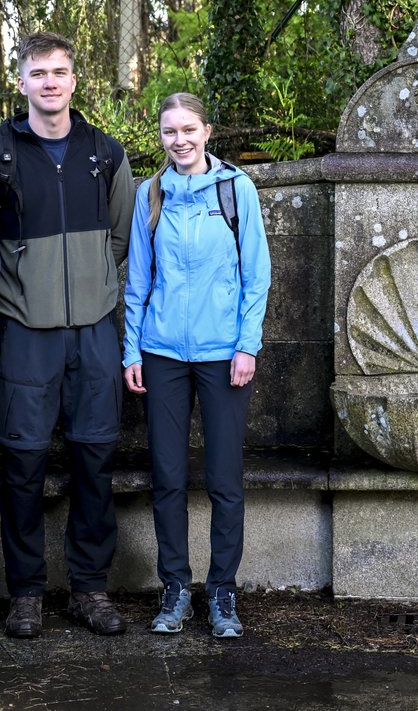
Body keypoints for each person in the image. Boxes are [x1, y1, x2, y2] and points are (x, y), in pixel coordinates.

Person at [0, 32, 135, 638]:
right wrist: (21, 299)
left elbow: (121, 238)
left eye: (59, 72)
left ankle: (89, 589)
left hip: (94, 333)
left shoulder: (105, 153)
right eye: (38, 73)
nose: (49, 82)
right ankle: (26, 594)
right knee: (22, 466)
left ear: (74, 80)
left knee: (95, 461)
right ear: (21, 82)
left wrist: (92, 289)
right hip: (24, 334)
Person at [122, 92, 271, 638]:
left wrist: (247, 345)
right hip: (162, 354)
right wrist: (132, 350)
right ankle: (176, 588)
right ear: (161, 137)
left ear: (207, 131)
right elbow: (138, 281)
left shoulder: (236, 189)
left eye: (189, 130)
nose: (179, 140)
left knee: (224, 479)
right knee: (167, 477)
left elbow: (257, 275)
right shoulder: (150, 193)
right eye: (169, 132)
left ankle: (222, 591)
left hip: (223, 355)